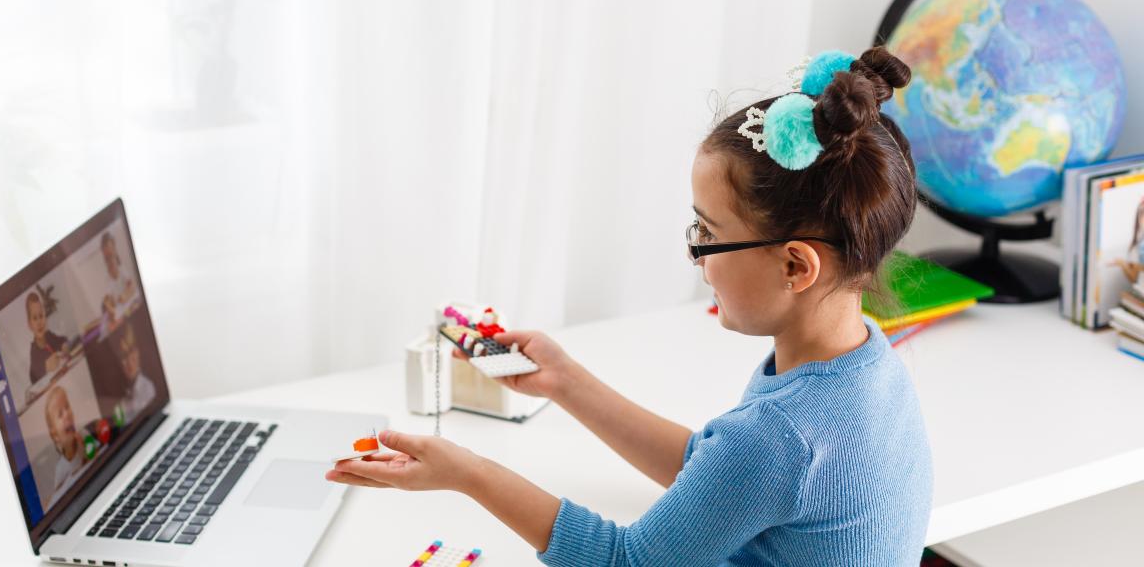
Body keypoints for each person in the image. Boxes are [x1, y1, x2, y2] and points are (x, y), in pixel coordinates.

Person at [326, 47, 933, 565]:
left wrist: (467, 473)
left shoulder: (781, 438)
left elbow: (627, 560)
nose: (697, 256)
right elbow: (717, 476)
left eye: (708, 233)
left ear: (796, 265)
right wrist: (568, 383)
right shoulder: (866, 366)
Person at [44, 386, 91, 505]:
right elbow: (60, 498)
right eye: (60, 414)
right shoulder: (60, 469)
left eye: (67, 407)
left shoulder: (85, 436)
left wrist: (87, 453)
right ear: (55, 435)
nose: (67, 414)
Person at [26, 292, 70, 385]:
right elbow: (36, 373)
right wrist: (46, 368)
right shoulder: (34, 352)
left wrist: (64, 345)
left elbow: (62, 340)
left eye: (41, 316)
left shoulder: (49, 336)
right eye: (35, 318)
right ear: (30, 324)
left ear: (45, 318)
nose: (39, 322)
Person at [99, 232, 138, 334]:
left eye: (111, 255)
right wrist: (110, 307)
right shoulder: (106, 279)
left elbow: (132, 287)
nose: (110, 261)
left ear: (114, 250)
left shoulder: (122, 270)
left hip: (129, 303)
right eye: (107, 258)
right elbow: (109, 302)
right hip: (120, 311)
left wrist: (125, 295)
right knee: (111, 325)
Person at [115, 324, 155, 421]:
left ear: (137, 353)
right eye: (124, 356)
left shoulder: (148, 388)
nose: (129, 361)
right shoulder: (120, 403)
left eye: (131, 351)